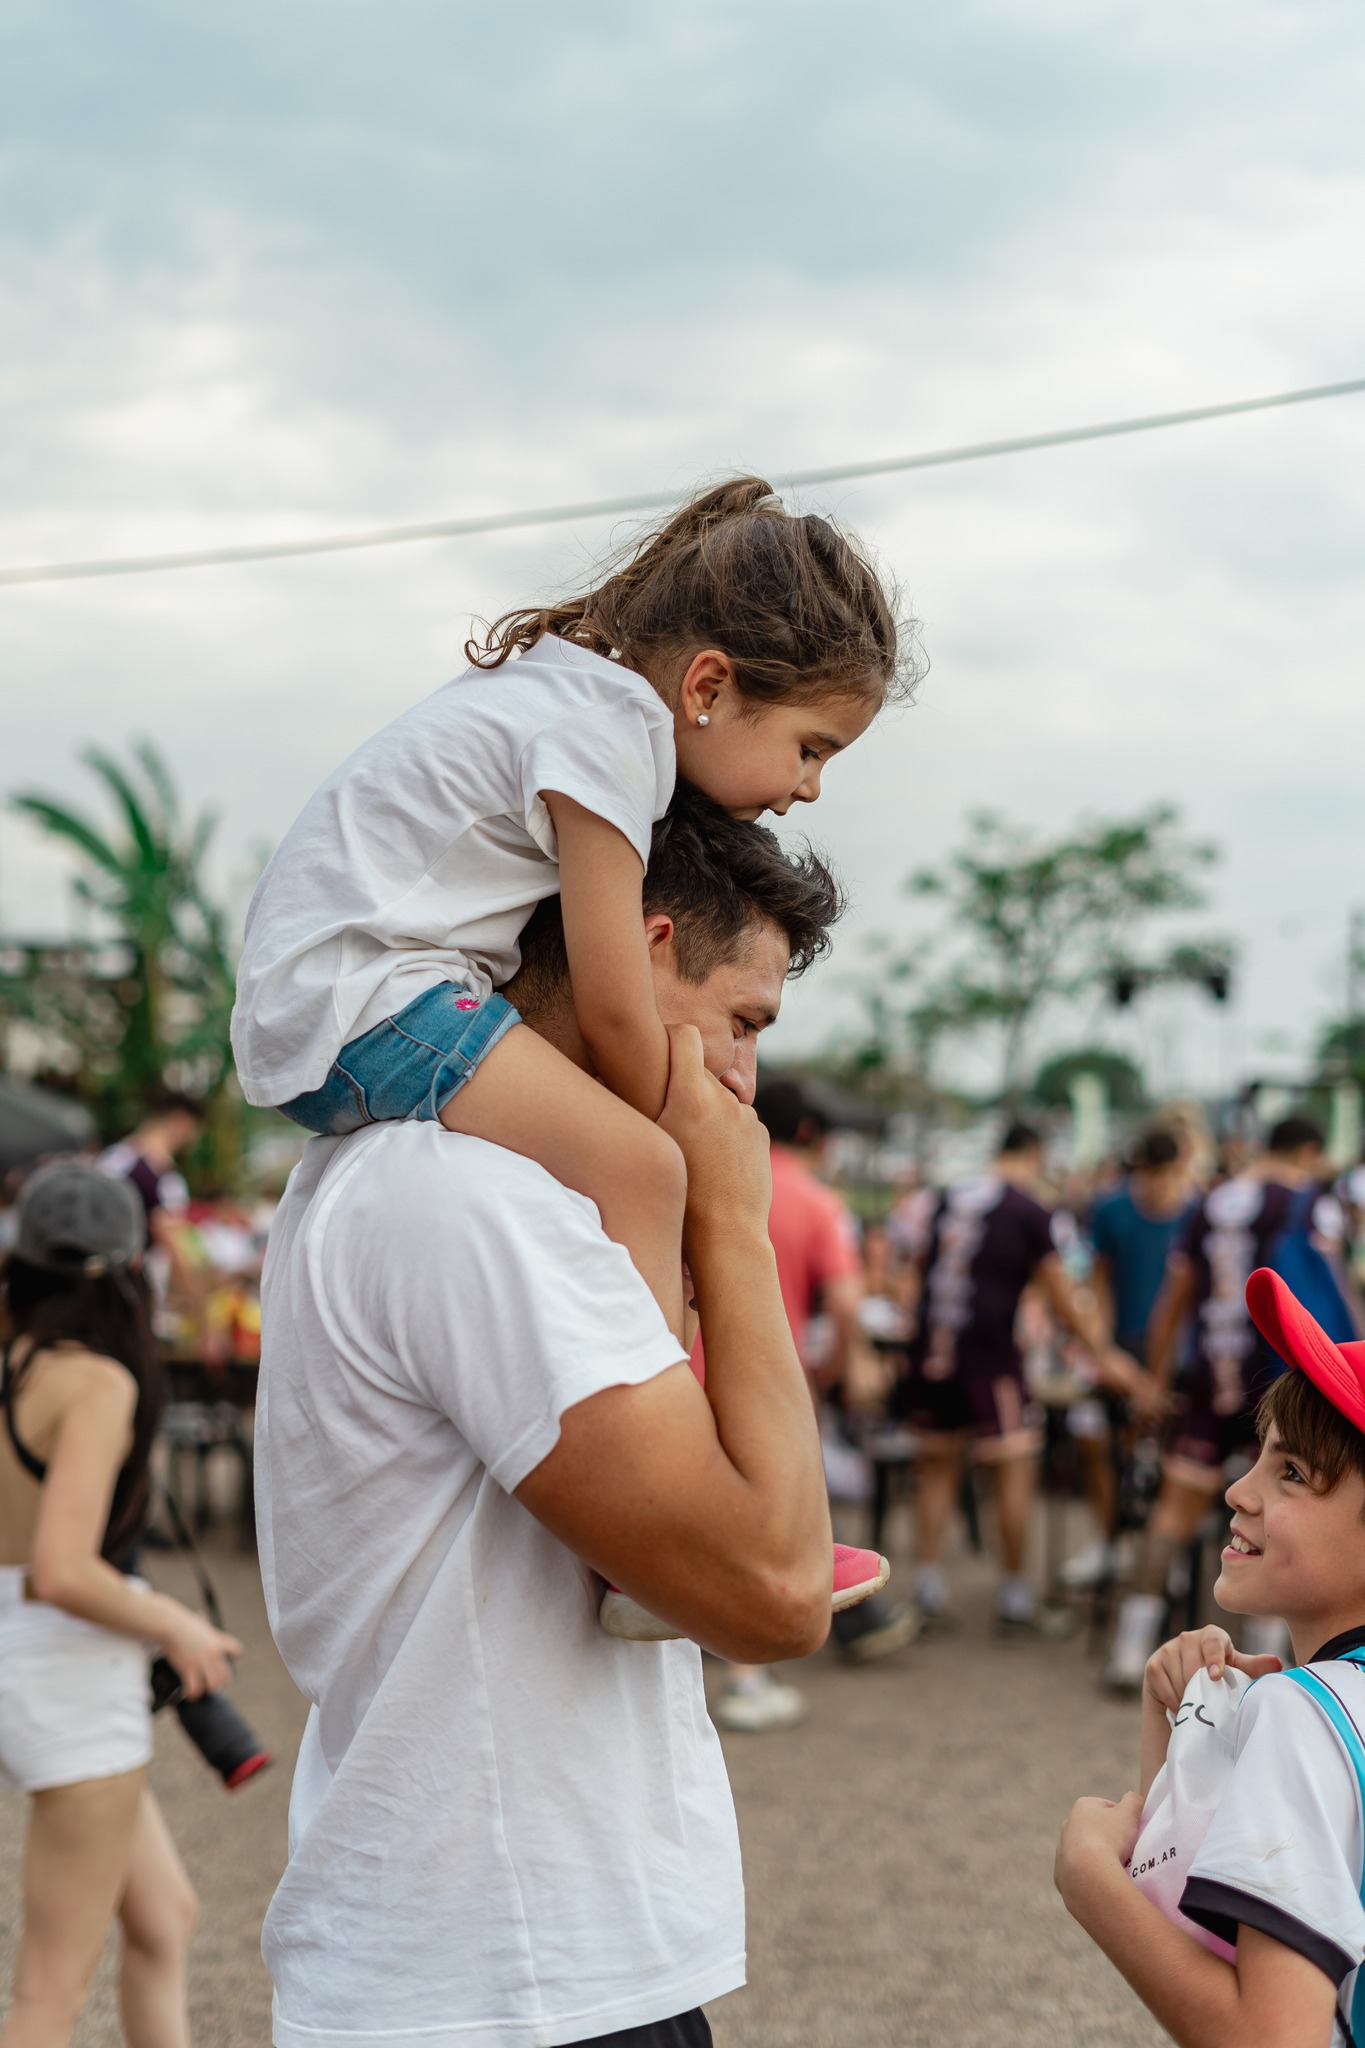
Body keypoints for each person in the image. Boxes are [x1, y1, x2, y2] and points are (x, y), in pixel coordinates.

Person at [253, 795, 846, 2048]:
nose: (748, 1079)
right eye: (742, 1022)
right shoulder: (468, 1199)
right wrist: (732, 1219)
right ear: (646, 948)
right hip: (509, 1977)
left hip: (502, 1954)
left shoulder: (446, 1176)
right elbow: (775, 1588)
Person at [1055, 1265, 1365, 2047]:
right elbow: (1204, 1915)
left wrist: (1089, 1878)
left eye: (1291, 1473)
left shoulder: (1302, 1716)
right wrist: (1183, 1730)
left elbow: (1268, 2035)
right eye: (1257, 1456)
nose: (1238, 1489)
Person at [0, 1163, 241, 2048]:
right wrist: (176, 1623)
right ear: (128, 1266)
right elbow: (62, 1569)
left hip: (21, 1654)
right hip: (66, 1663)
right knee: (45, 1998)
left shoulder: (18, 1360)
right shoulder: (98, 1381)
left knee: (163, 1918)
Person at [1104, 1115, 1356, 1689]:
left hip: (1206, 1377)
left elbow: (1172, 1301)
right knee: (1287, 1519)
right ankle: (1279, 1665)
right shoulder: (1304, 1199)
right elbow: (1334, 1288)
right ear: (1310, 1151)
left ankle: (1129, 1649)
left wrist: (1155, 1378)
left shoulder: (1210, 1202)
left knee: (1172, 1511)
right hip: (1285, 1382)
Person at [894, 1122, 1157, 1630]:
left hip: (932, 1346)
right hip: (992, 1353)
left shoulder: (948, 1196)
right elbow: (1062, 1296)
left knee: (938, 1466)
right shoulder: (1031, 1209)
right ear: (1035, 1155)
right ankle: (1013, 1592)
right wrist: (1103, 1353)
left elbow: (918, 1266)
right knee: (1013, 1466)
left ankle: (929, 1583)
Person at [710, 1079, 914, 1734]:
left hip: (679, 1368)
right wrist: (830, 1367)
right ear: (810, 1134)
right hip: (769, 1376)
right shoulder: (815, 1200)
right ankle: (746, 1673)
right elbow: (848, 1303)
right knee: (770, 1518)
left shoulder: (709, 1170)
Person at [1061, 1128, 1193, 1587]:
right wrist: (1105, 1353)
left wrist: (1158, 1374)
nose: (1155, 1187)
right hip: (1121, 1347)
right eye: (1147, 1176)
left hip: (1177, 1355)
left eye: (1164, 1176)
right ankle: (1108, 1541)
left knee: (1172, 1455)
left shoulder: (1196, 1214)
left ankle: (1165, 1550)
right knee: (1095, 1440)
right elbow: (1098, 1285)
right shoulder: (1112, 1209)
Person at [98, 1091, 206, 1311]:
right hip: (134, 1297)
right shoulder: (163, 1177)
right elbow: (175, 1248)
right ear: (181, 1121)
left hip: (93, 1287)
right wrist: (201, 1310)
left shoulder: (111, 1159)